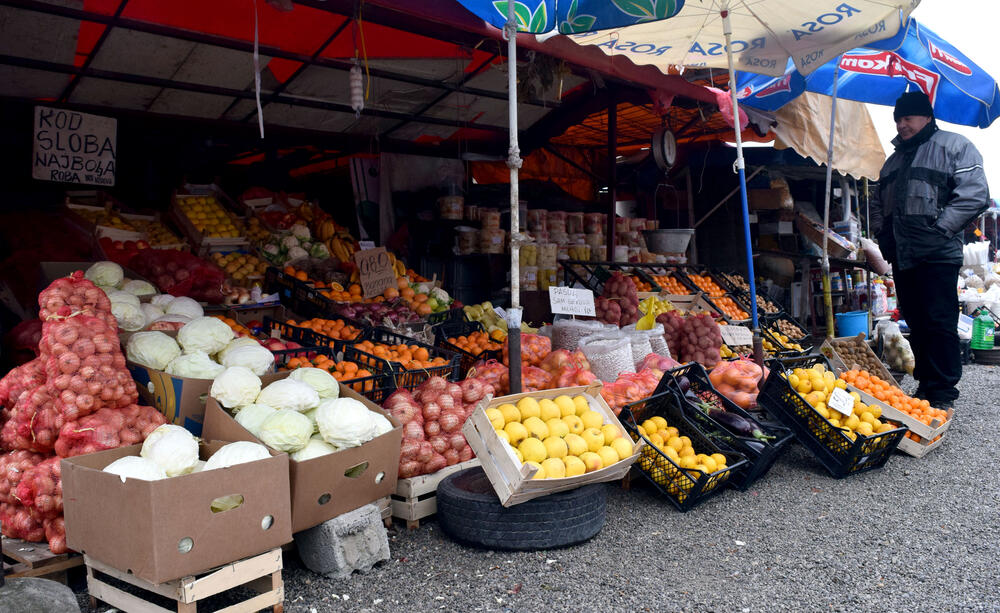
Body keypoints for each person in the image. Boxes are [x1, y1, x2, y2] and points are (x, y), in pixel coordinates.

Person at [872, 91, 989, 409]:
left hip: (937, 254)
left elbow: (975, 193)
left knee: (939, 320)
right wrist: (883, 239)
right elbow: (877, 203)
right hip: (903, 255)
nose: (901, 124)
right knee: (915, 319)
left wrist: (941, 229)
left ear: (926, 117)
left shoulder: (955, 146)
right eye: (898, 119)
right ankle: (925, 385)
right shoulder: (893, 161)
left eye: (908, 117)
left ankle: (942, 392)